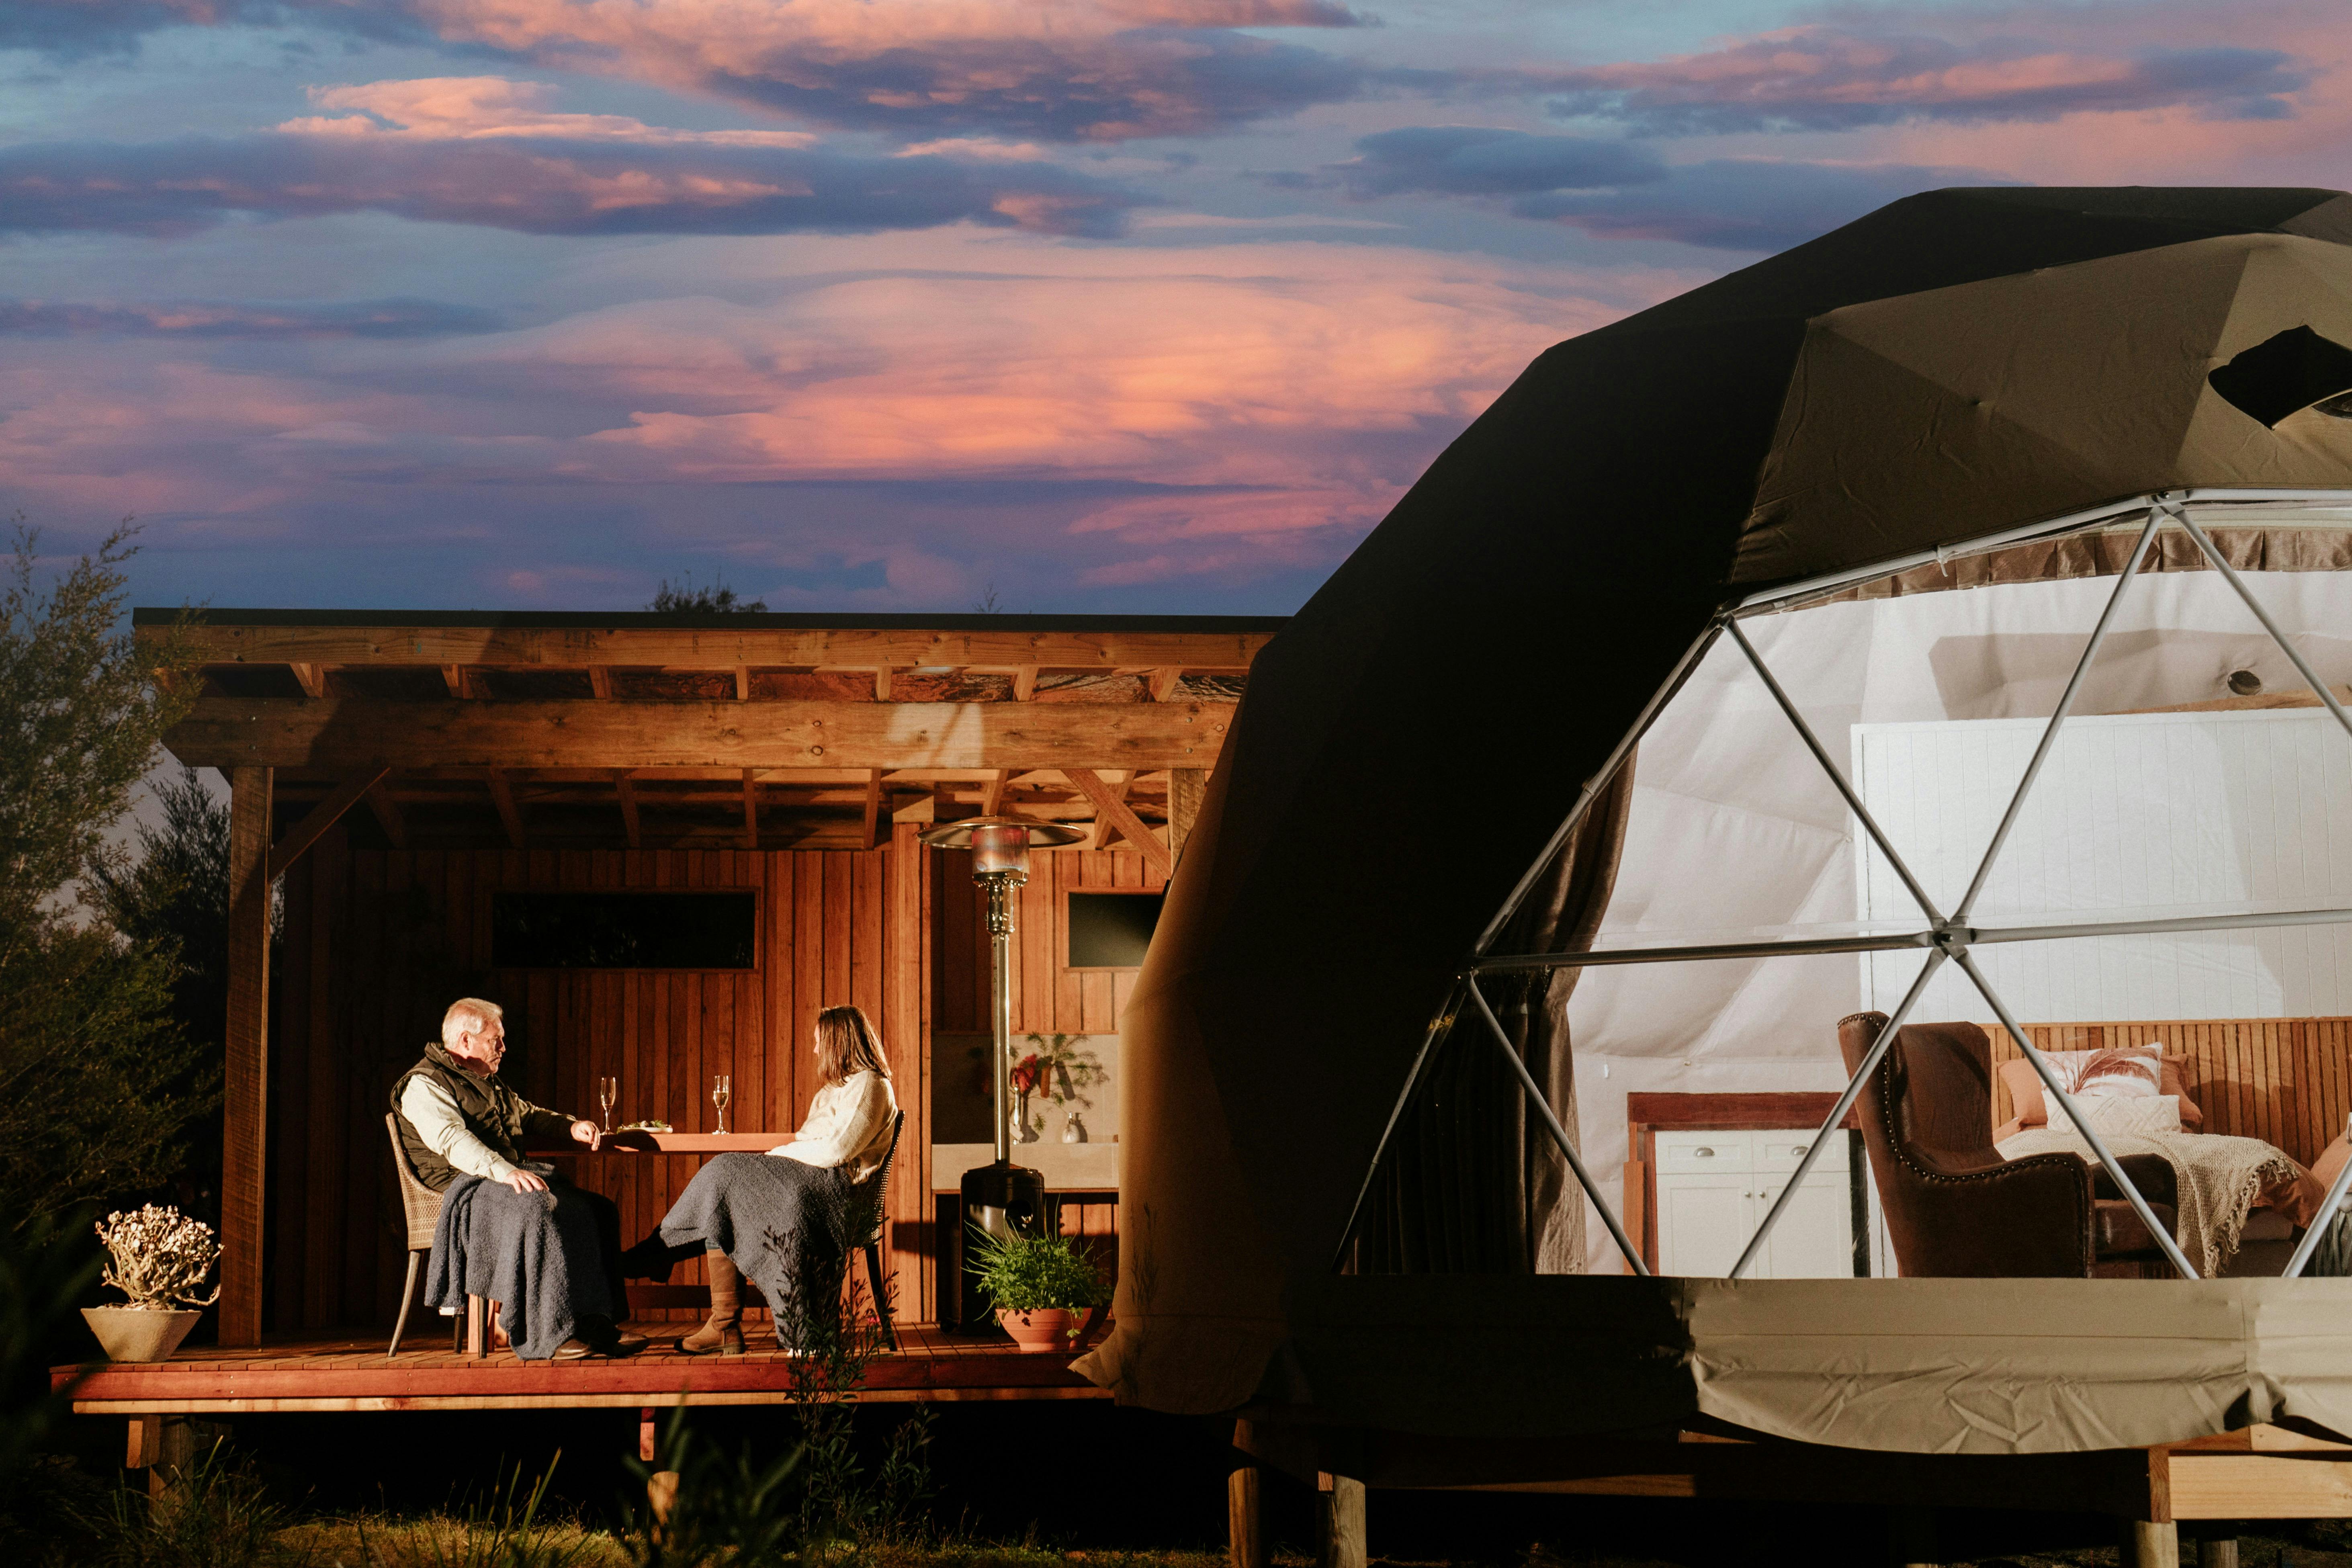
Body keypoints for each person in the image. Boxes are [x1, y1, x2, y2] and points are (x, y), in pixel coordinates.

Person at [632, 1004, 898, 1355]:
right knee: (727, 1192)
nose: (815, 1050)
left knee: (725, 1171)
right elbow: (808, 1143)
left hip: (835, 1195)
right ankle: (719, 1320)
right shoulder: (834, 1089)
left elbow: (836, 1151)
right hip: (809, 1184)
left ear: (838, 1042)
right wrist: (785, 1154)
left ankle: (662, 1253)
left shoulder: (870, 1085)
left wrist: (778, 1155)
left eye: (819, 1041)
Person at [393, 998, 646, 1361]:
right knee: (537, 1209)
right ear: (466, 1042)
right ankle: (548, 1335)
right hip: (460, 1188)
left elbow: (528, 1114)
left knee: (595, 1209)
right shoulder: (423, 1084)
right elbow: (451, 1140)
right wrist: (505, 1171)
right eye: (496, 1040)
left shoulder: (486, 1082)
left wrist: (570, 1126)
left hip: (498, 1182)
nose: (503, 1048)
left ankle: (595, 1325)